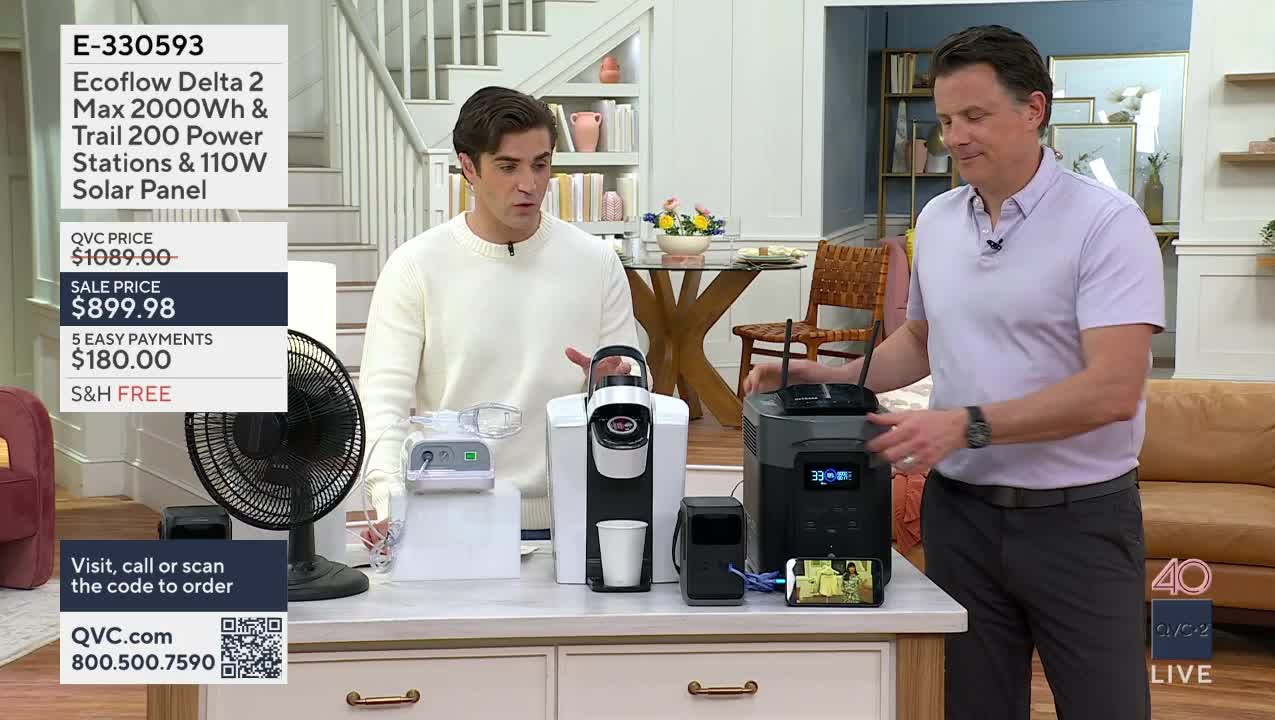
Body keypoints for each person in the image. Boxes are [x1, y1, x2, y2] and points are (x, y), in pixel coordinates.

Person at [744, 25, 1163, 720]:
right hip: (961, 521)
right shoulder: (937, 219)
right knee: (972, 707)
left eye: (974, 116)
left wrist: (967, 425)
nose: (955, 136)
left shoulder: (1106, 225)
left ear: (1034, 110)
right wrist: (824, 377)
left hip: (1078, 524)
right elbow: (921, 342)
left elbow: (1114, 390)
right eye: (944, 120)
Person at [357, 86, 640, 545]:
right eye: (508, 167)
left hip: (575, 518)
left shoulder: (597, 262)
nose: (528, 184)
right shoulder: (416, 265)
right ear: (469, 167)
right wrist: (392, 502)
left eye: (541, 164)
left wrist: (611, 389)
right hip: (449, 515)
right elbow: (382, 405)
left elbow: (632, 397)